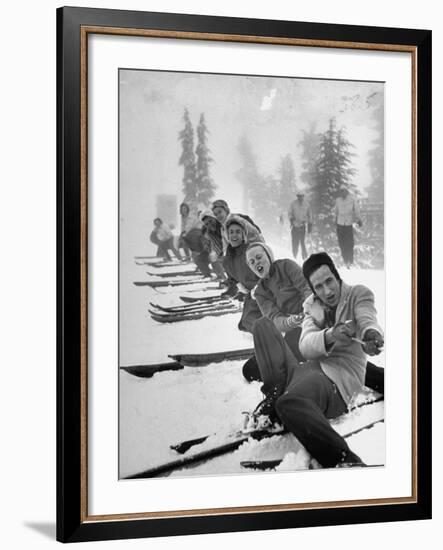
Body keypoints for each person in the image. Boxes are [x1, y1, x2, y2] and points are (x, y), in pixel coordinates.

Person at [251, 252, 384, 468]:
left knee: (289, 403)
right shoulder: (311, 305)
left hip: (332, 381)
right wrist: (330, 334)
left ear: (337, 275)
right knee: (262, 326)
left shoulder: (358, 294)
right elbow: (305, 345)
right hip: (304, 370)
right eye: (318, 286)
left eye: (329, 281)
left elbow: (366, 317)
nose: (327, 291)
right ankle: (274, 395)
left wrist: (370, 333)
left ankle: (344, 459)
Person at [242, 242, 312, 382]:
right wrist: (288, 322)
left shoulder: (287, 266)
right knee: (250, 369)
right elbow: (274, 318)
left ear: (268, 256)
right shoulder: (260, 292)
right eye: (252, 262)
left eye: (259, 257)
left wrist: (307, 312)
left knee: (305, 349)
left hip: (313, 319)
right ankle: (292, 373)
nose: (257, 263)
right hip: (294, 330)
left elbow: (306, 288)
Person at [222, 216, 262, 332]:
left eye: (238, 232)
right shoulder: (227, 259)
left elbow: (266, 272)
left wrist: (259, 288)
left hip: (264, 291)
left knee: (252, 321)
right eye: (231, 232)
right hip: (251, 294)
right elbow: (232, 277)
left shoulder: (251, 251)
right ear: (227, 235)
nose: (234, 235)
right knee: (245, 323)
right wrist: (236, 286)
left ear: (243, 235)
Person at [334, 187, 362, 268]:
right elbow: (336, 211)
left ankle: (350, 259)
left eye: (344, 192)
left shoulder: (352, 199)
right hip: (340, 224)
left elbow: (356, 210)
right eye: (341, 192)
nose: (342, 193)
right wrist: (335, 220)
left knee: (349, 243)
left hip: (348, 224)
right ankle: (346, 260)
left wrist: (359, 219)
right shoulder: (338, 200)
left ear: (347, 192)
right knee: (342, 243)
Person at [200, 209, 227, 282]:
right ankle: (224, 278)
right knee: (215, 259)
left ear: (214, 218)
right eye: (207, 224)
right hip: (222, 251)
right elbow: (218, 246)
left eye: (210, 221)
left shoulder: (224, 226)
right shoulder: (210, 232)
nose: (209, 225)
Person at [287, 192, 312, 261]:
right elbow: (289, 213)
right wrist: (291, 219)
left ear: (303, 196)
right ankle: (294, 256)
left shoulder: (307, 204)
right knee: (295, 242)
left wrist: (310, 224)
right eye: (299, 196)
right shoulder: (293, 204)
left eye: (301, 196)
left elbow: (310, 214)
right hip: (295, 226)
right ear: (297, 196)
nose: (300, 197)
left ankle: (305, 257)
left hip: (302, 225)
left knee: (302, 242)